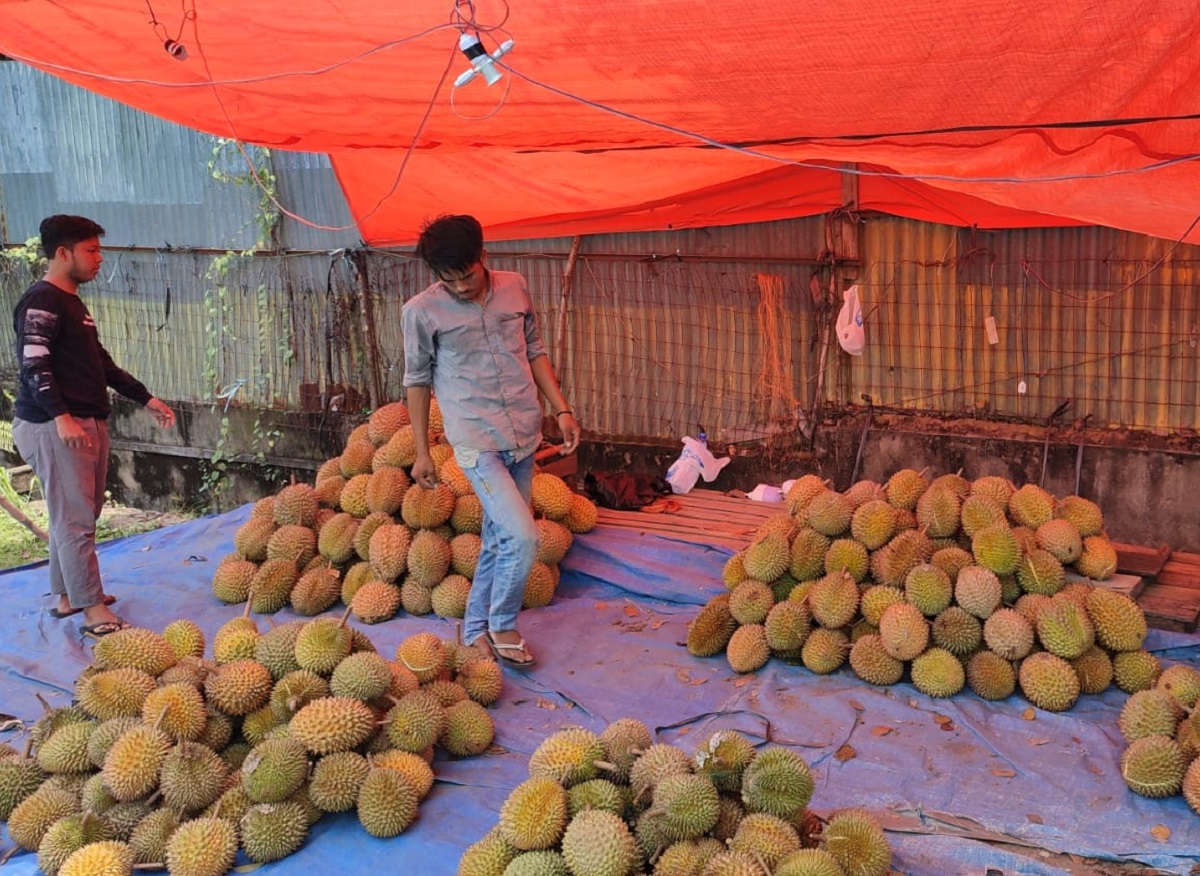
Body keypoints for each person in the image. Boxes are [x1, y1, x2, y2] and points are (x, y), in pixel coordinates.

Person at [402, 214, 579, 667]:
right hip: (476, 441)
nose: (461, 287)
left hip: (522, 430)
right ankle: (503, 623)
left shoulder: (515, 287)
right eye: (449, 280)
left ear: (483, 256)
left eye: (467, 275)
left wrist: (561, 408)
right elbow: (417, 380)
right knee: (522, 537)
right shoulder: (421, 311)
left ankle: (476, 630)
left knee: (500, 538)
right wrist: (422, 451)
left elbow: (535, 350)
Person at [11, 215, 176, 638]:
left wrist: (146, 397)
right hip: (54, 425)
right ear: (63, 253)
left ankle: (68, 597)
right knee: (75, 521)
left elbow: (100, 363)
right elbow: (34, 365)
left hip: (85, 420)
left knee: (77, 516)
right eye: (92, 250)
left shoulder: (72, 303)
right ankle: (91, 611)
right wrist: (61, 416)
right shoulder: (42, 301)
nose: (100, 258)